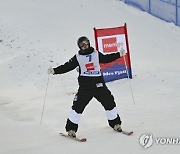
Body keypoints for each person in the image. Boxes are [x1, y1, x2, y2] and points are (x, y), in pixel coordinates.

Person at [47, 36, 126, 138]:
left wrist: (119, 54)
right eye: (81, 45)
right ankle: (71, 129)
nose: (84, 46)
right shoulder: (78, 57)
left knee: (109, 102)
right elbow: (67, 66)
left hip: (99, 85)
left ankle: (115, 123)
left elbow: (106, 58)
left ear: (89, 43)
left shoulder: (96, 54)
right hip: (85, 87)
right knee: (77, 106)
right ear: (79, 47)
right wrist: (54, 71)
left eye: (85, 43)